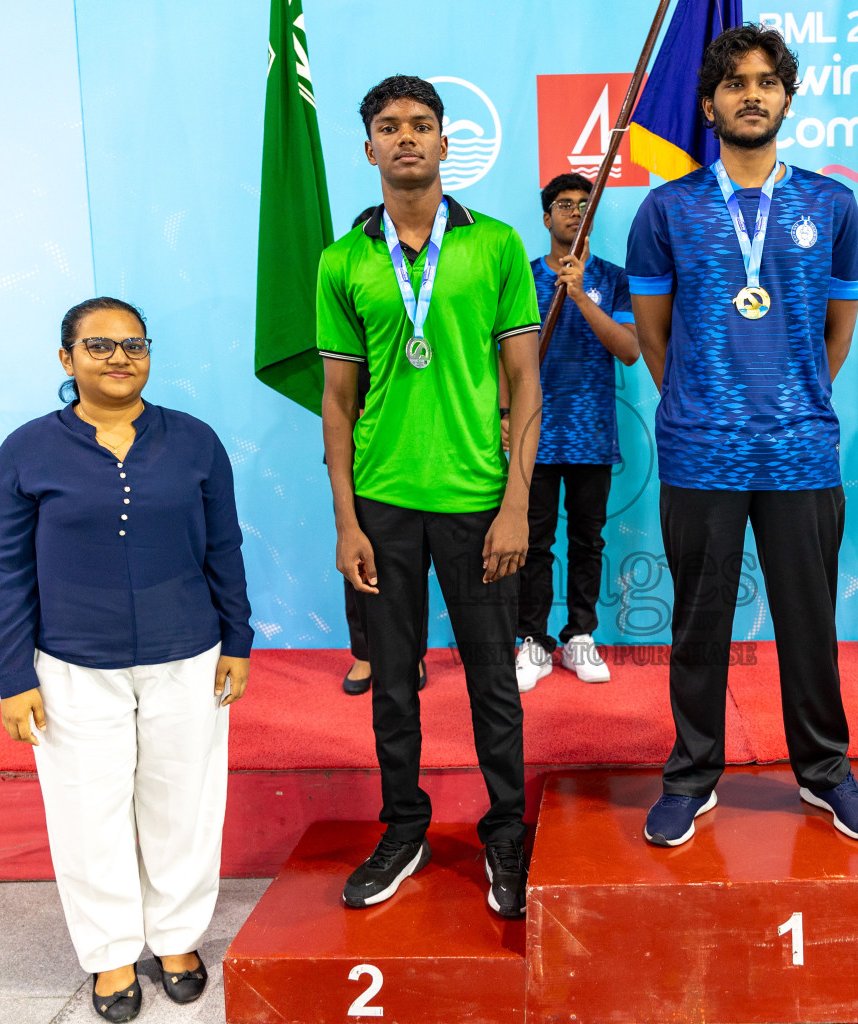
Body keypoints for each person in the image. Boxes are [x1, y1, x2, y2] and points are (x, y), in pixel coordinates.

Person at [627, 24, 858, 847]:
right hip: (700, 450)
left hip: (802, 449)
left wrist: (791, 399)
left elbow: (835, 335)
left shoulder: (832, 205)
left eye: (766, 81)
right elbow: (654, 338)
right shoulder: (666, 208)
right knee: (698, 623)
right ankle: (692, 775)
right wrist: (706, 406)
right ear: (709, 104)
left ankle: (825, 772)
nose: (750, 93)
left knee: (810, 623)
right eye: (734, 82)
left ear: (786, 97)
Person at [0, 297, 252, 1022]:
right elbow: (10, 570)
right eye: (99, 346)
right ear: (66, 358)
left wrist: (238, 639)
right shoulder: (26, 451)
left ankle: (176, 940)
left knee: (184, 804)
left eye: (133, 344)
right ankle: (109, 954)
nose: (118, 358)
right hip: (71, 664)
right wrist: (16, 677)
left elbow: (223, 547)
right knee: (86, 811)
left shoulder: (194, 441)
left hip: (188, 654)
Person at [318, 76, 541, 918]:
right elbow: (338, 402)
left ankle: (507, 828)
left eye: (421, 125)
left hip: (479, 499)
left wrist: (516, 502)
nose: (405, 137)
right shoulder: (344, 260)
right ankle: (405, 826)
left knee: (493, 680)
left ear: (448, 144)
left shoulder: (494, 247)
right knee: (393, 684)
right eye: (388, 127)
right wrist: (346, 519)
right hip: (381, 501)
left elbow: (526, 382)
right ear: (368, 148)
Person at [514, 173, 639, 692]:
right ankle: (533, 642)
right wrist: (505, 416)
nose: (573, 212)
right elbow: (503, 356)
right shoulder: (518, 278)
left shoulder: (613, 279)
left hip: (591, 434)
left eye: (584, 204)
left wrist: (581, 295)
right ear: (546, 217)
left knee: (587, 541)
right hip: (533, 434)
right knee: (533, 543)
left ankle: (580, 636)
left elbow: (630, 349)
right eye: (563, 204)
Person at [341, 207, 429, 697]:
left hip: (422, 449)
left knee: (407, 571)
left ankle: (410, 652)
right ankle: (364, 654)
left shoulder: (422, 298)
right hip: (362, 448)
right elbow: (337, 392)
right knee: (361, 559)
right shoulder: (346, 288)